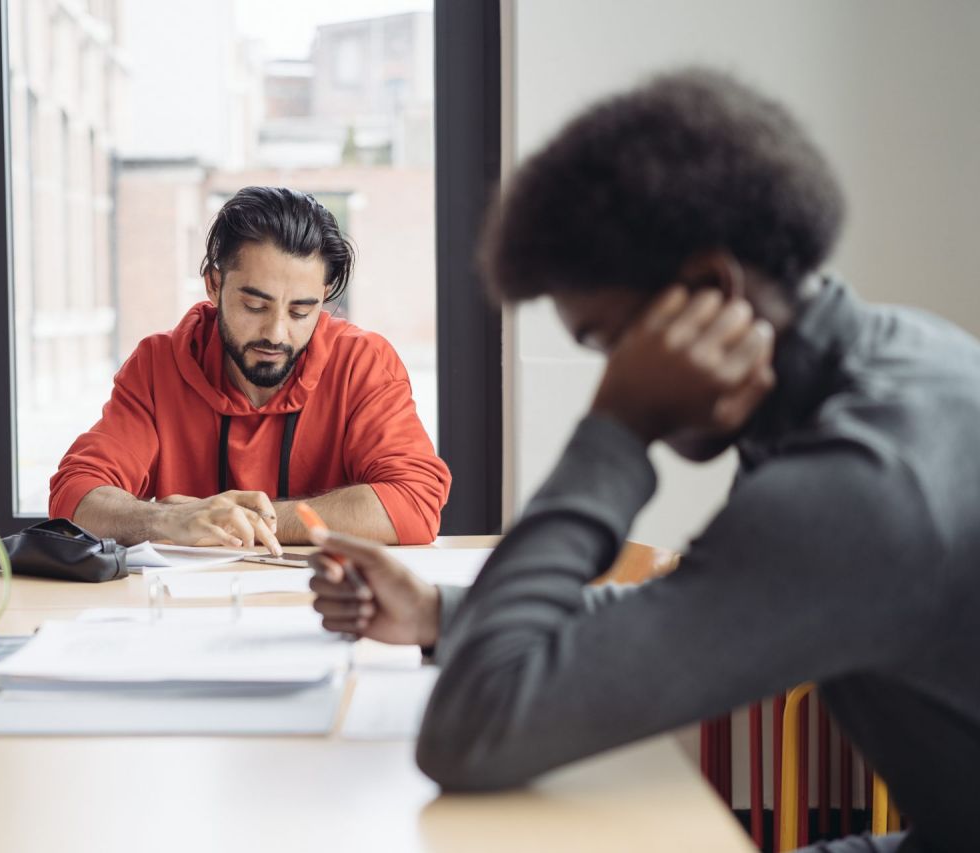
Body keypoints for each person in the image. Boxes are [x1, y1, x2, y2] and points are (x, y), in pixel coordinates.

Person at [309, 69, 978, 853]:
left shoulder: (860, 484)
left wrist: (616, 430)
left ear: (709, 290)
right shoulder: (891, 361)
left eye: (607, 342)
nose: (610, 375)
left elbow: (473, 728)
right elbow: (701, 601)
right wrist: (442, 613)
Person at [50, 186, 450, 555]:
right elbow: (75, 498)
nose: (276, 333)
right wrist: (168, 520)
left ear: (324, 298)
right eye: (255, 306)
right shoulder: (158, 365)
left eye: (301, 310)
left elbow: (414, 502)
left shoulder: (363, 363)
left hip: (326, 608)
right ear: (213, 284)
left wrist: (248, 521)